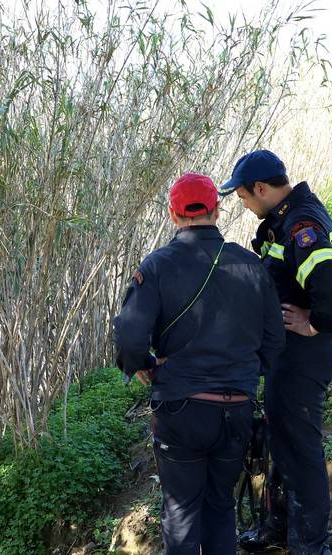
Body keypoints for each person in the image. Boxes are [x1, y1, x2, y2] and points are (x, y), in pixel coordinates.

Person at [114, 173, 285, 555]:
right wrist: (241, 371)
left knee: (181, 510)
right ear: (217, 210)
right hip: (237, 408)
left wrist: (144, 364)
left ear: (174, 214)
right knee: (220, 504)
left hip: (180, 409)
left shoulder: (157, 265)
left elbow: (128, 337)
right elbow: (274, 343)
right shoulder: (250, 265)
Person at [219, 150, 332, 555]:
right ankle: (278, 528)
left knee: (301, 451)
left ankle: (310, 546)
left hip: (304, 354)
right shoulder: (283, 219)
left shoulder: (301, 224)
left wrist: (314, 322)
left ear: (261, 188)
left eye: (243, 196)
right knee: (284, 444)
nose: (242, 204)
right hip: (287, 354)